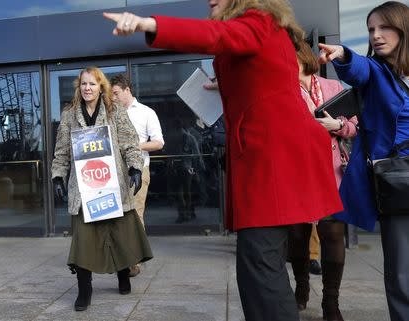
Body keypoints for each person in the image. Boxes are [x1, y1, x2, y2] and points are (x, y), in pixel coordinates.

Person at [103, 1, 344, 320]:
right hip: (270, 157)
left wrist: (148, 24)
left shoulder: (257, 20)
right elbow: (261, 75)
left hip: (272, 160)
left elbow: (215, 35)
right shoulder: (268, 28)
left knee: (260, 264)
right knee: (259, 262)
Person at [318, 2, 409, 321]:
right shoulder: (375, 72)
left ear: (402, 28)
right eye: (371, 29)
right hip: (399, 181)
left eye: (384, 27)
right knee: (401, 268)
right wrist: (342, 54)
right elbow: (357, 68)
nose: (376, 35)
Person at [51, 67, 153, 311]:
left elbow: (129, 143)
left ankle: (122, 274)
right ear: (79, 87)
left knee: (118, 234)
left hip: (113, 184)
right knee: (84, 240)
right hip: (85, 186)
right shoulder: (69, 115)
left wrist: (135, 168)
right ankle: (84, 290)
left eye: (93, 84)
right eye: (84, 84)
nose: (88, 88)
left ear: (101, 87)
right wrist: (58, 175)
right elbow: (62, 149)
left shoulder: (114, 110)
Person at [288, 41, 358, 321]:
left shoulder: (333, 88)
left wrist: (338, 126)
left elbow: (356, 126)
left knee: (333, 235)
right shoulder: (283, 93)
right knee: (297, 237)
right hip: (297, 173)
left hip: (332, 172)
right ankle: (302, 287)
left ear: (303, 59)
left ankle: (331, 301)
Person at [110, 74, 164, 277]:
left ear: (127, 90)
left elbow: (158, 142)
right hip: (113, 172)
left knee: (134, 215)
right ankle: (119, 256)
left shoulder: (146, 113)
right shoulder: (109, 113)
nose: (113, 97)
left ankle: (133, 262)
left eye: (115, 93)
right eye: (111, 94)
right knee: (115, 216)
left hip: (138, 171)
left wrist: (130, 146)